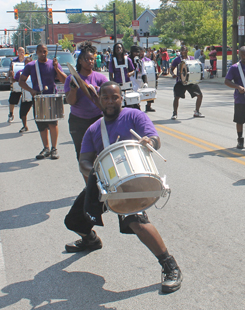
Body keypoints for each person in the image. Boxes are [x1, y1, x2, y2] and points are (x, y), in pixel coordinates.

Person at [63, 81, 182, 293]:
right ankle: (91, 240)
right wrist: (96, 175)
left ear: (121, 98)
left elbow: (154, 138)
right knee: (74, 220)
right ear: (99, 100)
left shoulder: (134, 116)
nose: (110, 101)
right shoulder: (93, 130)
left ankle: (170, 266)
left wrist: (150, 143)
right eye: (105, 97)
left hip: (130, 180)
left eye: (114, 97)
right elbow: (84, 161)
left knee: (136, 222)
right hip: (103, 180)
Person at [19, 44, 67, 160]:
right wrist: (31, 90)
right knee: (41, 124)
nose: (42, 53)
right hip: (38, 98)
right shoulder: (31, 66)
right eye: (40, 51)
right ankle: (46, 148)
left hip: (51, 97)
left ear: (47, 52)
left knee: (53, 123)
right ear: (36, 53)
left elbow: (65, 80)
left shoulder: (53, 64)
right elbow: (21, 81)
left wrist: (56, 68)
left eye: (44, 51)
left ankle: (54, 149)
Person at [64, 41, 108, 164]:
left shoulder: (100, 78)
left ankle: (101, 181)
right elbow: (71, 101)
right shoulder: (71, 79)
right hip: (78, 121)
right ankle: (89, 182)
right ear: (80, 61)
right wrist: (73, 90)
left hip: (98, 119)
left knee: (101, 152)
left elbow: (108, 99)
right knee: (83, 154)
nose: (90, 61)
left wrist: (97, 90)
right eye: (87, 59)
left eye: (92, 59)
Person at [170, 46, 205, 120]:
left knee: (200, 95)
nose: (183, 52)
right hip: (180, 81)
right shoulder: (177, 60)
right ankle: (174, 113)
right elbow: (171, 69)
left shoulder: (191, 59)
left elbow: (195, 68)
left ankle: (197, 112)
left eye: (184, 50)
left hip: (190, 81)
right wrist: (173, 74)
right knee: (176, 97)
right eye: (182, 50)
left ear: (187, 51)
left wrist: (199, 76)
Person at [7, 47, 25, 123]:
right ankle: (11, 114)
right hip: (16, 83)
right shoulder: (13, 62)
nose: (22, 53)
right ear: (17, 52)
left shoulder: (27, 61)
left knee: (29, 100)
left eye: (23, 52)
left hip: (25, 84)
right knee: (12, 100)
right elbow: (8, 73)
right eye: (20, 51)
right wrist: (10, 74)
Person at [136, 47, 156, 112]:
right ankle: (137, 106)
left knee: (150, 90)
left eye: (142, 52)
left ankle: (148, 106)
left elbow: (152, 69)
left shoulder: (147, 60)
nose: (141, 53)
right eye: (140, 52)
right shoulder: (135, 60)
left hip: (147, 78)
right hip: (138, 78)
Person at [15, 57, 33, 133]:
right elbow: (14, 80)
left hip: (35, 94)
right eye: (26, 62)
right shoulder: (20, 72)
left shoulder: (36, 71)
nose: (27, 64)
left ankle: (46, 126)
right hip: (26, 96)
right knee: (22, 113)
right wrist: (11, 75)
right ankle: (25, 126)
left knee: (40, 112)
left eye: (29, 62)